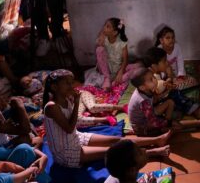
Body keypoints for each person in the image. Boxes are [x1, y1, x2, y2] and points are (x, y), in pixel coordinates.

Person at [42, 70, 171, 168]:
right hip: (65, 152)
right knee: (113, 151)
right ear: (54, 88)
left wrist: (100, 118)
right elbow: (70, 128)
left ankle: (157, 139)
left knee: (118, 140)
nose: (72, 86)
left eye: (72, 82)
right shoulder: (52, 107)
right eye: (67, 84)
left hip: (75, 137)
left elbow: (77, 123)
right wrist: (77, 103)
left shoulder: (67, 99)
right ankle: (153, 151)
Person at [128, 69, 200, 137]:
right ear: (142, 87)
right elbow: (153, 122)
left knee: (170, 102)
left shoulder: (146, 90)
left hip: (148, 115)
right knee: (174, 124)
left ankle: (167, 124)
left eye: (153, 77)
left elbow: (154, 100)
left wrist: (166, 92)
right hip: (143, 126)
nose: (155, 80)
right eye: (151, 79)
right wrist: (168, 122)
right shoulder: (143, 101)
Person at [142, 47, 200, 119]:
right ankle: (196, 111)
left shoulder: (155, 73)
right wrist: (167, 91)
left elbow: (162, 84)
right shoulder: (150, 79)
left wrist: (168, 83)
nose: (167, 63)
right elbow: (154, 99)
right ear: (154, 66)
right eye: (164, 61)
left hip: (159, 100)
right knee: (175, 94)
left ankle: (194, 106)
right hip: (154, 107)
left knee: (176, 91)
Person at [84, 18, 143, 89]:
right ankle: (107, 79)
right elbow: (100, 45)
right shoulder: (104, 39)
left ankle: (114, 83)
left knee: (139, 66)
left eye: (107, 26)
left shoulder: (122, 43)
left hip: (118, 68)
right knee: (99, 49)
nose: (104, 28)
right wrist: (102, 34)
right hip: (106, 69)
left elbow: (125, 60)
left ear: (115, 32)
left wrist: (120, 72)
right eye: (105, 25)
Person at [155, 26, 199, 90]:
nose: (171, 40)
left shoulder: (177, 47)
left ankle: (174, 85)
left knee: (190, 81)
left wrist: (180, 74)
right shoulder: (159, 49)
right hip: (163, 72)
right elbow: (159, 66)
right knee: (160, 83)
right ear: (161, 40)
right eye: (168, 38)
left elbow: (180, 61)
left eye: (173, 37)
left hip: (175, 72)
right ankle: (169, 85)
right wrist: (165, 77)